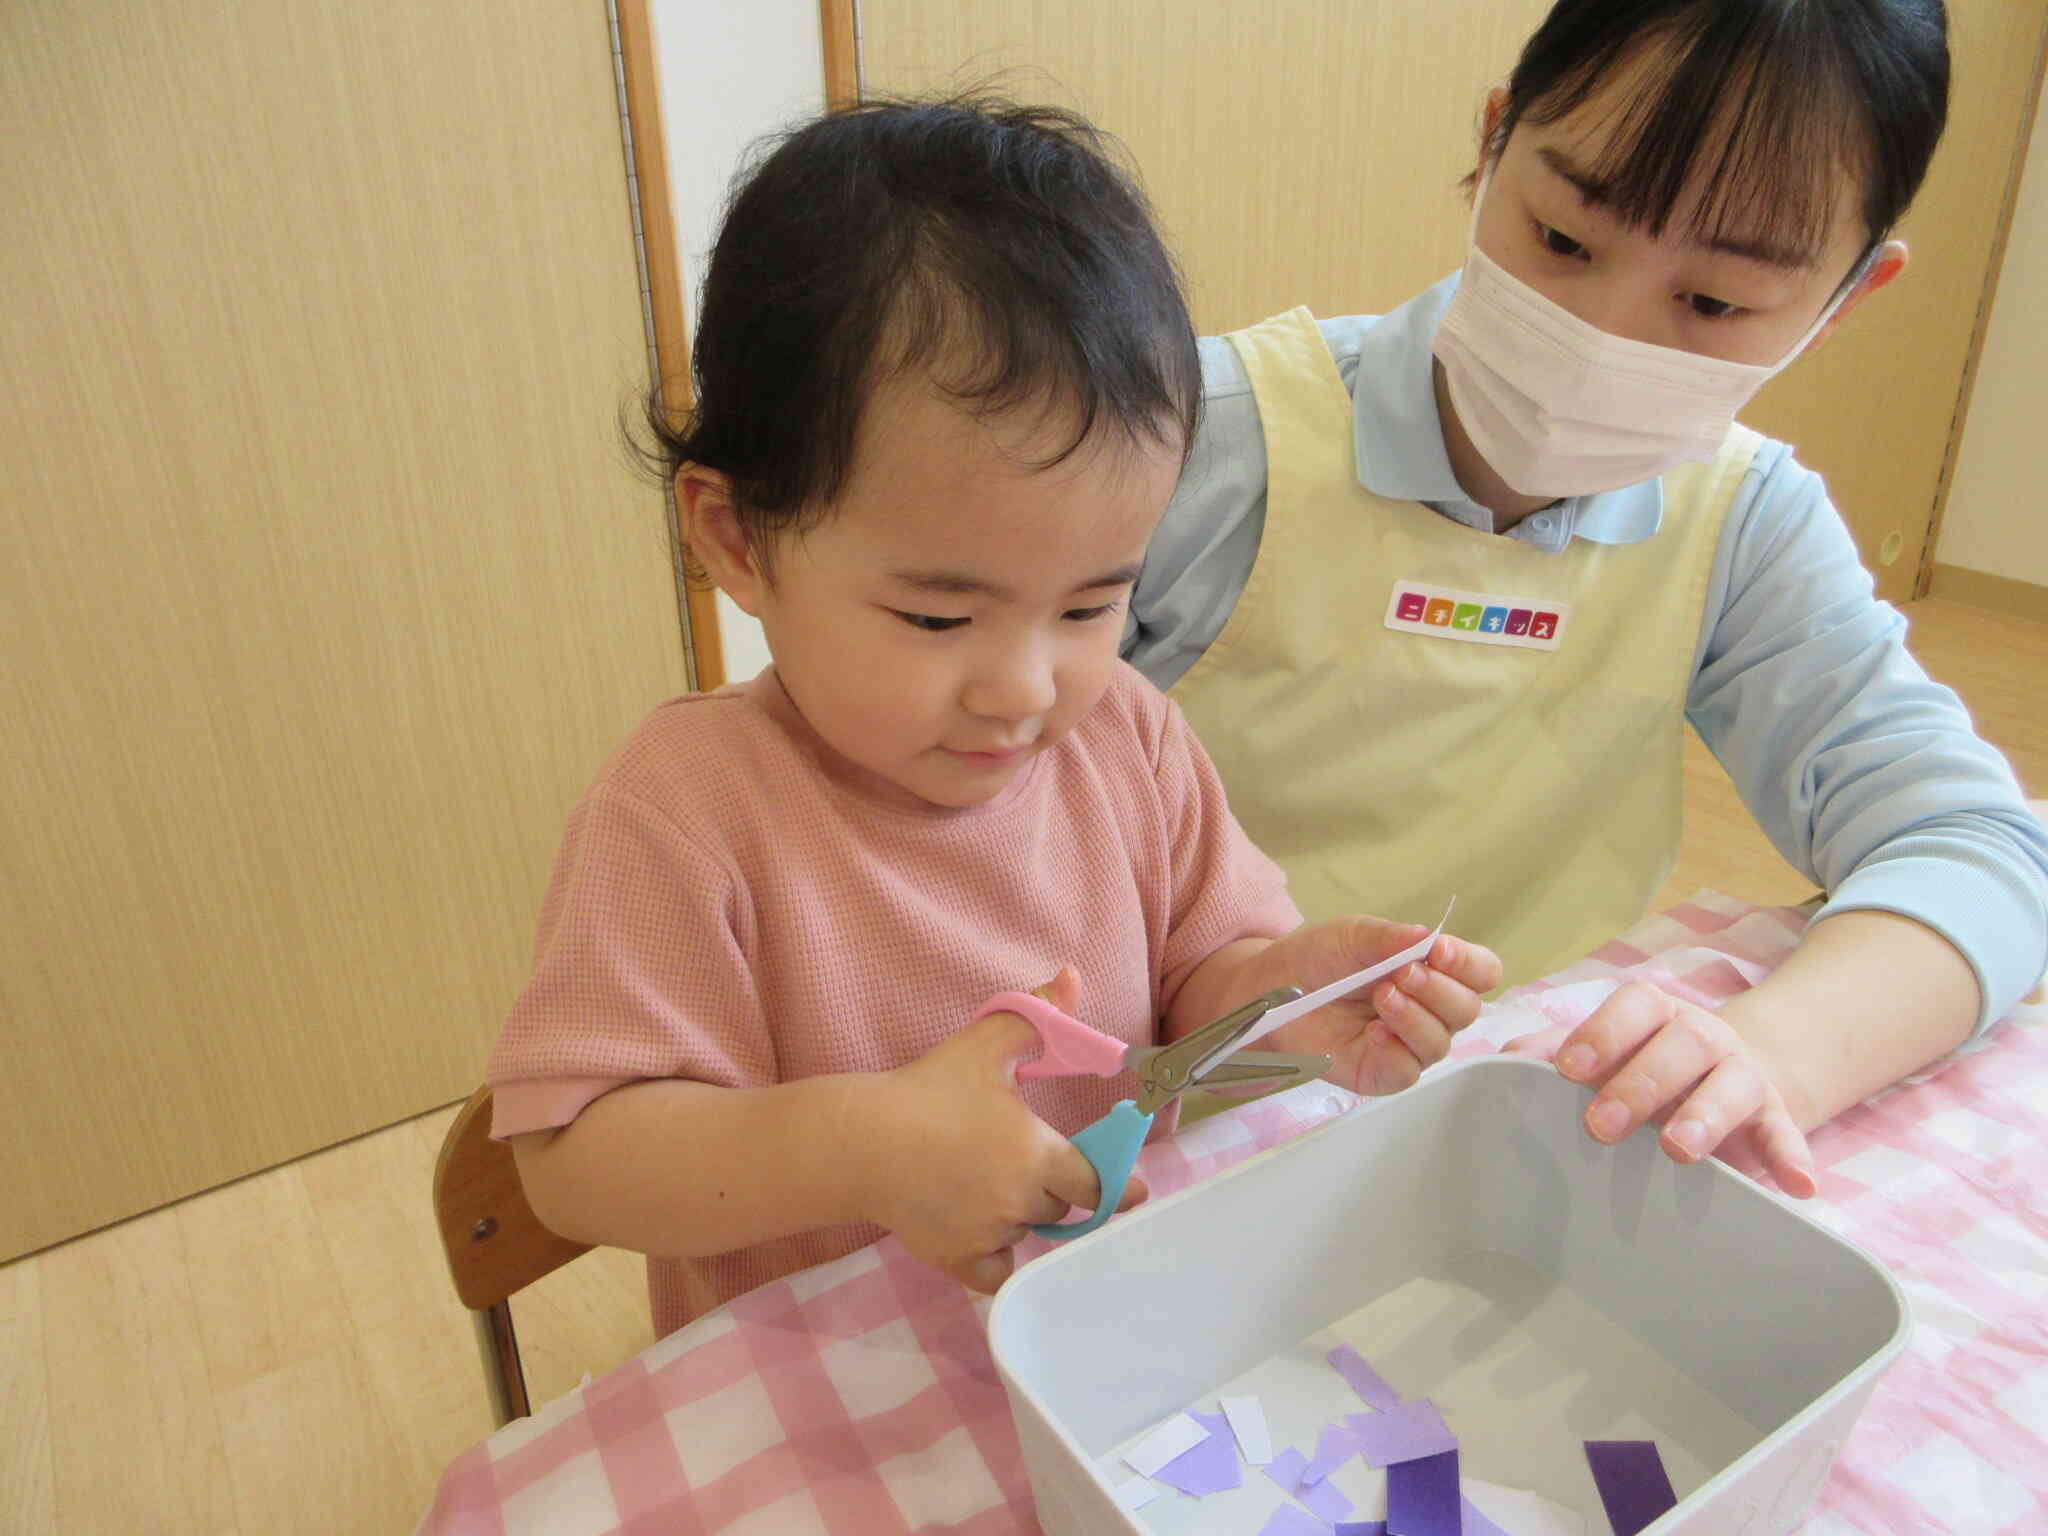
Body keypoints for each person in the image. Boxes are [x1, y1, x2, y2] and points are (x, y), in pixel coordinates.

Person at [485, 98, 1501, 1336]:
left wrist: (1284, 998)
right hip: (830, 1379)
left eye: (1090, 604)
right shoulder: (687, 813)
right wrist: (859, 1148)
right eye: (936, 618)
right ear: (737, 541)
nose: (1025, 690)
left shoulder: (1125, 736)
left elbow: (1194, 993)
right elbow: (574, 1159)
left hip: (1098, 1321)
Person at [1123, 0, 2048, 1198]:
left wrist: (1775, 1051)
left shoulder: (1742, 526)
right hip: (1157, 1112)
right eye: (1562, 238)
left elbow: (1974, 847)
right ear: (1495, 141)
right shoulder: (1189, 441)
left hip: (1502, 1136)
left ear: (1846, 298)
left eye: (1711, 304)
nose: (1595, 333)